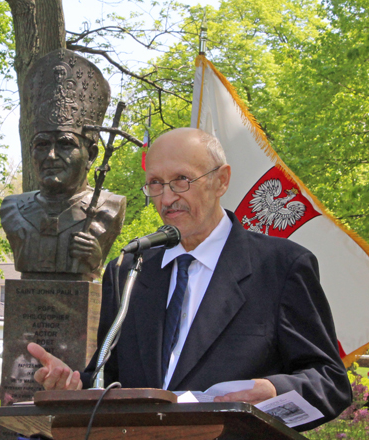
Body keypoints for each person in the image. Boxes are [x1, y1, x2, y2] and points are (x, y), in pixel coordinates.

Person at [28, 127, 351, 430]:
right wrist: (74, 386)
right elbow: (110, 379)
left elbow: (330, 383)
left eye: (181, 180)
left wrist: (273, 389)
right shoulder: (128, 271)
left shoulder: (280, 267)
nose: (167, 199)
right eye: (155, 183)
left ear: (221, 181)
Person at [0, 49, 126, 280]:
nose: (50, 156)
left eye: (65, 145)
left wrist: (95, 259)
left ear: (91, 155)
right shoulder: (12, 209)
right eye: (41, 144)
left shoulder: (110, 208)